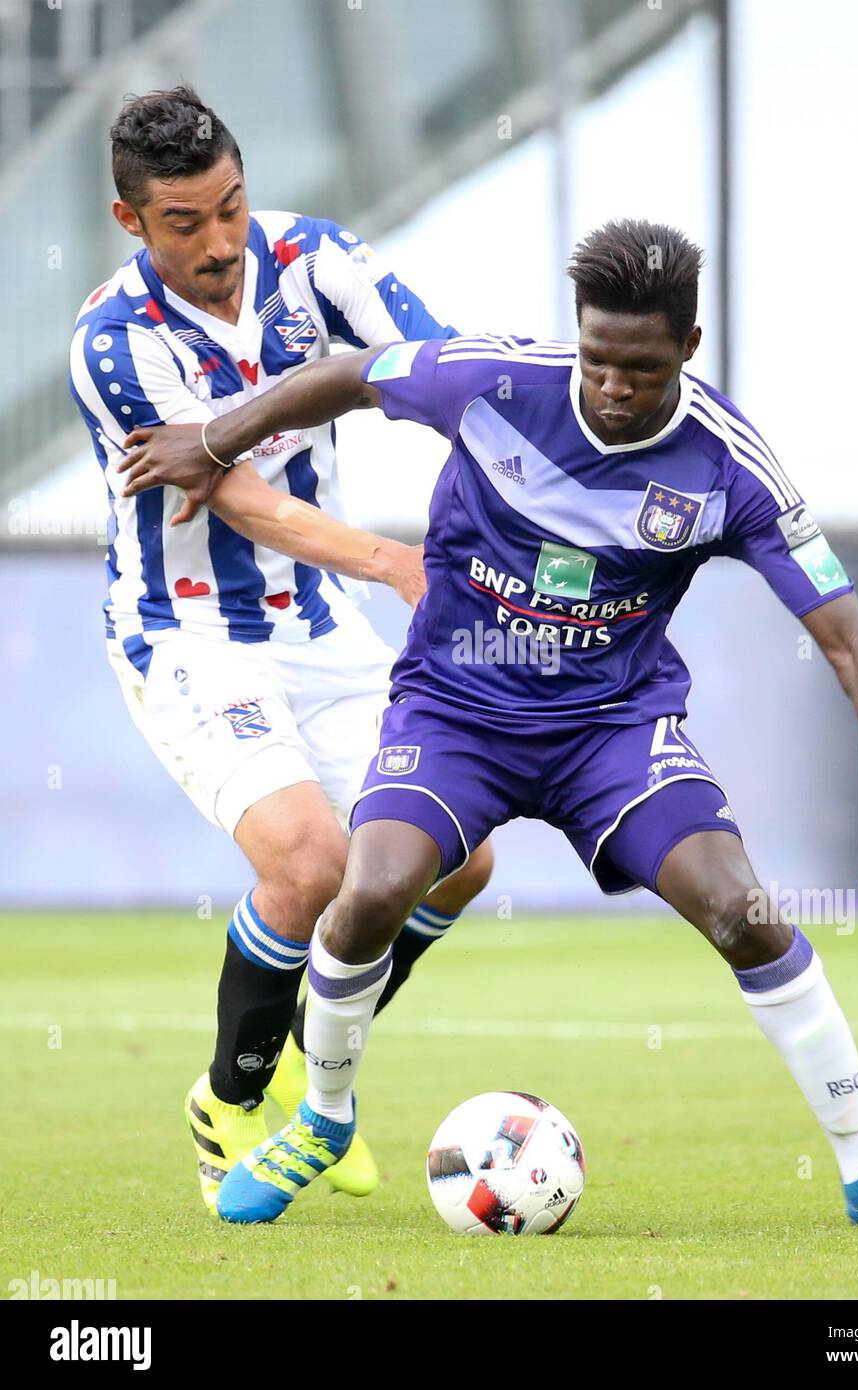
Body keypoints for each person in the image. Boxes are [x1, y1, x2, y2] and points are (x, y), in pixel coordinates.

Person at [119, 218, 858, 1230]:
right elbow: (355, 373)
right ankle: (321, 1116)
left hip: (610, 728)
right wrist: (216, 436)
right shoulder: (490, 379)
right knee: (372, 889)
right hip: (458, 707)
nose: (614, 388)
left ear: (689, 351)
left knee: (744, 909)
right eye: (599, 360)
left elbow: (851, 635)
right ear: (577, 337)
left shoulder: (729, 465)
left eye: (643, 369)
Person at [68, 85, 492, 1216]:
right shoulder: (114, 343)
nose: (217, 244)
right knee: (309, 867)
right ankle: (226, 1097)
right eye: (183, 223)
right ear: (130, 221)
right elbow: (242, 498)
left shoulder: (317, 262)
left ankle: (314, 1055)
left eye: (230, 208)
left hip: (322, 628)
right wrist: (400, 564)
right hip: (191, 635)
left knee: (459, 857)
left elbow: (435, 368)